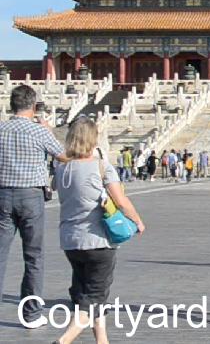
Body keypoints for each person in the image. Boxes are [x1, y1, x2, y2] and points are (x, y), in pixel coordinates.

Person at [53, 116, 144, 344]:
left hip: (71, 241)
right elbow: (121, 201)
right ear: (93, 140)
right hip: (98, 241)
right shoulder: (101, 167)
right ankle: (63, 340)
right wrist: (138, 222)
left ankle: (102, 340)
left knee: (88, 293)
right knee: (94, 297)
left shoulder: (61, 169)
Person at [0, 85, 68, 328]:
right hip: (31, 196)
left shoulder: (1, 129)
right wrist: (50, 131)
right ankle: (31, 314)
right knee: (33, 256)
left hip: (2, 194)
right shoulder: (38, 131)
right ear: (33, 105)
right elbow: (63, 155)